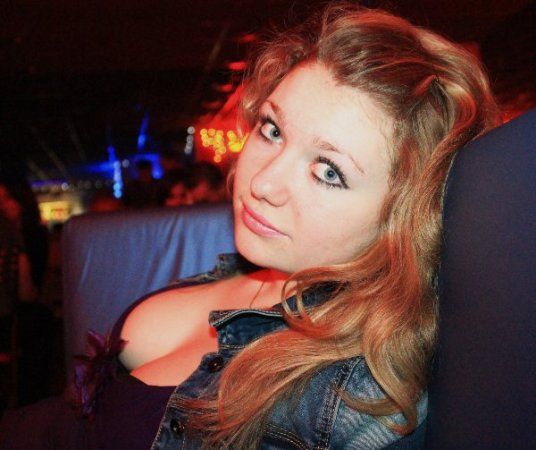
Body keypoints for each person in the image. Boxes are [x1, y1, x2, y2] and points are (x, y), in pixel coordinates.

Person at [0, 3, 500, 449]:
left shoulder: (356, 398)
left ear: (405, 218)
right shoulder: (252, 266)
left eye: (329, 171)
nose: (262, 182)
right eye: (272, 129)